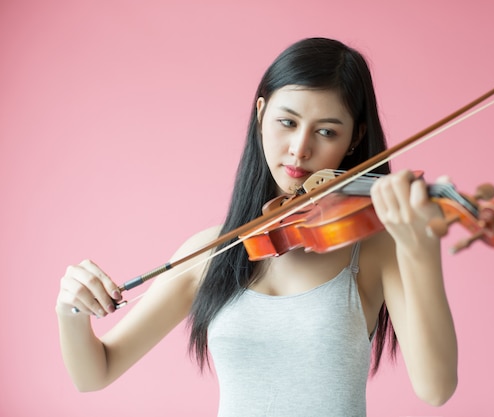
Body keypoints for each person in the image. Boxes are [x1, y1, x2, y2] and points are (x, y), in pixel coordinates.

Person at [56, 37, 458, 415]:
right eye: (287, 122)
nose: (301, 148)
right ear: (262, 113)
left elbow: (436, 388)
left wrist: (420, 248)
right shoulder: (216, 249)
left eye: (326, 131)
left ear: (355, 139)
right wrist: (71, 309)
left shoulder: (374, 247)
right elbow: (96, 372)